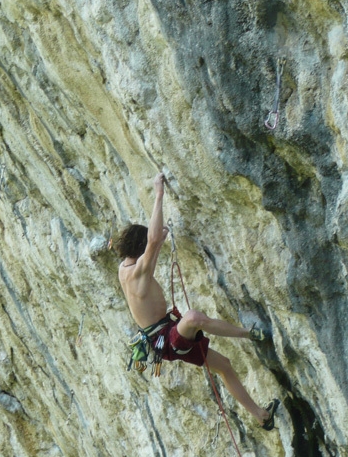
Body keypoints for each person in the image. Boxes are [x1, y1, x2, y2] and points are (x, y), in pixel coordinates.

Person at [114, 173, 279, 430]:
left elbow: (152, 247)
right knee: (193, 318)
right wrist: (159, 194)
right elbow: (153, 241)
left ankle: (261, 416)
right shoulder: (137, 272)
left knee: (224, 366)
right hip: (166, 339)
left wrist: (156, 243)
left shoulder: (125, 268)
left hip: (164, 339)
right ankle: (251, 334)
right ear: (141, 247)